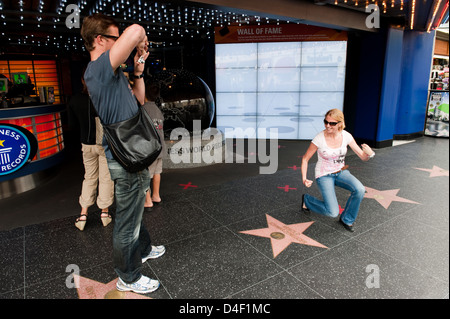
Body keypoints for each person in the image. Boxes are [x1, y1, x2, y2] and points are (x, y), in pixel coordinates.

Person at [81, 13, 165, 294]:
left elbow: (139, 99)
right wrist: (138, 39)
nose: (121, 44)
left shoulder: (113, 73)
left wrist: (138, 67)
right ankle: (127, 277)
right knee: (127, 222)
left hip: (133, 150)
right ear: (100, 40)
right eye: (115, 39)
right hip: (124, 157)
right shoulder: (97, 70)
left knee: (134, 209)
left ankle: (143, 249)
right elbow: (137, 29)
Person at [300, 108, 375, 232]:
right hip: (324, 175)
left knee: (360, 190)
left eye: (332, 123)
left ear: (340, 123)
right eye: (326, 122)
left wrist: (369, 154)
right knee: (332, 212)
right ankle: (307, 200)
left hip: (340, 172)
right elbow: (305, 159)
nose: (328, 126)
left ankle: (347, 219)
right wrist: (304, 178)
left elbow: (362, 157)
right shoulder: (319, 138)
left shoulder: (346, 136)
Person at [67, 74, 114, 231]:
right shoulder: (104, 99)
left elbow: (72, 125)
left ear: (82, 80)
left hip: (86, 145)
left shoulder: (74, 100)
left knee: (89, 177)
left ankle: (83, 214)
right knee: (106, 178)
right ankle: (104, 213)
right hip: (103, 144)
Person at [143, 82, 165, 209]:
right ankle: (156, 196)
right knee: (157, 172)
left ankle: (148, 201)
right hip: (160, 148)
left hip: (150, 150)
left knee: (146, 176)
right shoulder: (158, 110)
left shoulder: (144, 109)